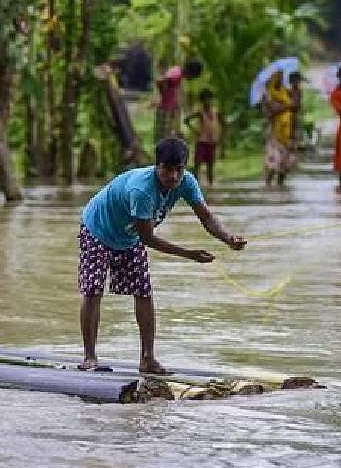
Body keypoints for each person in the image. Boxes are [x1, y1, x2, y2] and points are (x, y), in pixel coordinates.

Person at [77, 137, 247, 374]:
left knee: (143, 291)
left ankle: (147, 358)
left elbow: (206, 216)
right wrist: (189, 254)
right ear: (157, 166)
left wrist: (228, 238)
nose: (174, 177)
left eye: (179, 170)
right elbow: (147, 239)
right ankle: (89, 357)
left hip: (129, 237)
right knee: (93, 290)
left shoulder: (186, 183)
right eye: (168, 169)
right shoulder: (142, 190)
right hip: (98, 229)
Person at [154, 61, 202, 143]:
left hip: (170, 108)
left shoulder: (177, 71)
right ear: (190, 72)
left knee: (169, 136)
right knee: (164, 137)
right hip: (166, 109)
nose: (192, 79)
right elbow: (160, 81)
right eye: (194, 76)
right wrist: (164, 96)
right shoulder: (177, 74)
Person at [262, 72, 297, 186]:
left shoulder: (286, 93)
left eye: (281, 77)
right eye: (277, 77)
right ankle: (268, 186)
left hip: (287, 132)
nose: (279, 80)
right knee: (273, 163)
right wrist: (287, 106)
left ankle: (280, 188)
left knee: (284, 165)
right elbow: (271, 111)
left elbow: (295, 109)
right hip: (274, 133)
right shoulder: (268, 95)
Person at [185, 88, 222, 185]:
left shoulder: (216, 112)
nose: (207, 101)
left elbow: (223, 124)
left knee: (210, 166)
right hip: (201, 142)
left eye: (209, 99)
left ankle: (210, 185)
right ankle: (194, 185)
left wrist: (220, 137)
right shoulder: (200, 112)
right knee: (197, 165)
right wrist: (195, 131)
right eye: (205, 99)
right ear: (201, 101)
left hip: (212, 142)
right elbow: (186, 120)